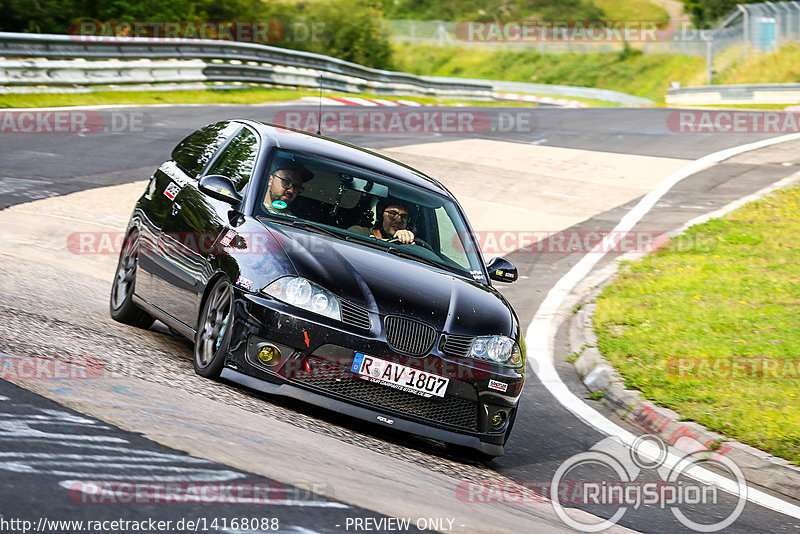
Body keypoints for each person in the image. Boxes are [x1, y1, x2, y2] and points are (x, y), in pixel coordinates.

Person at [349, 199, 415, 244]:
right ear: (380, 215)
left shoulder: (408, 243)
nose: (398, 220)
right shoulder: (358, 232)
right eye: (392, 213)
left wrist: (406, 242)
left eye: (404, 217)